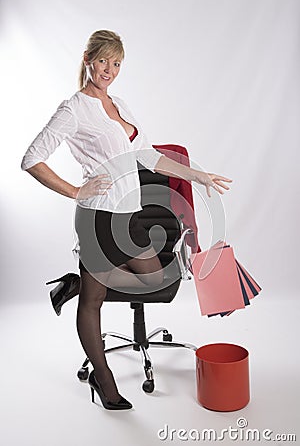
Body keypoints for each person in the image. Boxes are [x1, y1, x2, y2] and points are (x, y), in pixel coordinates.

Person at [21, 30, 232, 411]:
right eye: (103, 61)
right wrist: (75, 190)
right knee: (94, 304)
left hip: (130, 213)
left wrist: (197, 176)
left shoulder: (119, 103)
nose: (110, 70)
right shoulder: (73, 109)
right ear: (88, 59)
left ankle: (75, 283)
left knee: (154, 277)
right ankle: (105, 382)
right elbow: (32, 158)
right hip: (98, 216)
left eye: (117, 63)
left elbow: (147, 156)